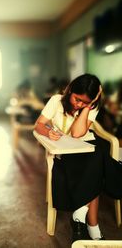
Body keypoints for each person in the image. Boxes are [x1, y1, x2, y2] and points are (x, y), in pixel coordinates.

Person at [34, 74, 122, 243]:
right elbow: (39, 124)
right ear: (70, 91)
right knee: (98, 161)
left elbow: (78, 133)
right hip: (66, 150)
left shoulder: (91, 105)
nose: (79, 104)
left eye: (85, 102)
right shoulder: (56, 100)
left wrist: (89, 106)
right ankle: (92, 226)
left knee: (96, 156)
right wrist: (48, 132)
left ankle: (79, 217)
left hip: (87, 145)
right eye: (77, 99)